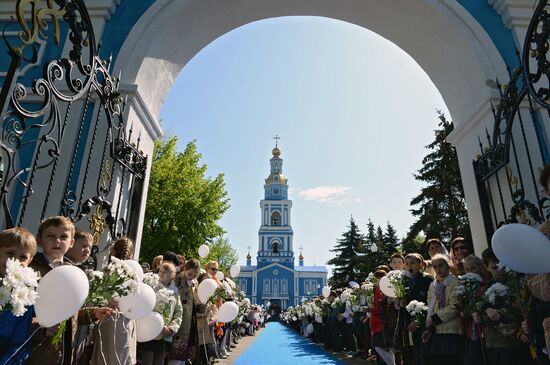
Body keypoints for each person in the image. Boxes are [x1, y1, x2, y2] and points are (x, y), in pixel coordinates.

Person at [478, 248, 534, 365]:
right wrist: (486, 309)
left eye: (502, 265)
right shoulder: (486, 287)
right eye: (494, 267)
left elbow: (513, 312)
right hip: (491, 344)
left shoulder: (516, 284)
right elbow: (478, 304)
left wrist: (489, 317)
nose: (500, 270)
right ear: (486, 267)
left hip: (513, 344)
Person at [90, 237, 137, 365]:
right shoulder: (134, 274)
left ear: (112, 251)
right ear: (131, 254)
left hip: (107, 316)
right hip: (125, 318)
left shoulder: (109, 271)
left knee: (105, 355)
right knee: (123, 355)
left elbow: (98, 296)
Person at [0, 227, 37, 364]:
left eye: (23, 257)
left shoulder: (25, 298)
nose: (15, 261)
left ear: (30, 261)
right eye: (10, 253)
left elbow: (20, 344)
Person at [422, 254, 463, 365]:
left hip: (452, 330)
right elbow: (431, 306)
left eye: (441, 265)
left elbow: (455, 306)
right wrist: (429, 329)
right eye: (435, 267)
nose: (438, 269)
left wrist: (434, 319)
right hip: (437, 331)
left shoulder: (456, 282)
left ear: (448, 266)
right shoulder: (433, 285)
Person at [140, 262, 183, 365]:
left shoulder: (175, 292)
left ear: (172, 275)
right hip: (150, 332)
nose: (161, 274)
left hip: (165, 334)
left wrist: (172, 328)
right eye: (160, 271)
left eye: (165, 272)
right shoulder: (151, 285)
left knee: (159, 362)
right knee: (148, 361)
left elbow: (178, 313)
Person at [396, 253, 433, 365]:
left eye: (413, 263)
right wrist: (400, 302)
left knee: (424, 355)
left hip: (423, 323)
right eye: (407, 264)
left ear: (420, 265)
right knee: (414, 355)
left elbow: (431, 302)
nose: (409, 266)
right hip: (408, 323)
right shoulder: (404, 282)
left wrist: (419, 320)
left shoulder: (427, 279)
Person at [169, 258, 201, 365]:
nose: (192, 277)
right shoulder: (176, 280)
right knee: (175, 353)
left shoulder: (194, 283)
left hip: (189, 322)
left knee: (184, 354)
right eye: (190, 274)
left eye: (195, 275)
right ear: (185, 269)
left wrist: (200, 306)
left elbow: (196, 300)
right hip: (178, 319)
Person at [462, 254, 488, 365]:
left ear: (481, 268)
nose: (470, 272)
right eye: (467, 269)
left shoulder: (486, 285)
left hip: (485, 331)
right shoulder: (464, 287)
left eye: (473, 268)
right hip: (470, 332)